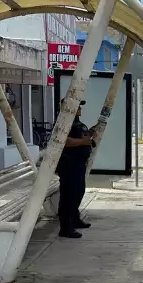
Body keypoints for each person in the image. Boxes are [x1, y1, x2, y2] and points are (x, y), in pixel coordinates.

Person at [56, 98, 94, 239]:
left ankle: (75, 219)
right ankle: (65, 227)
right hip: (68, 164)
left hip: (79, 163)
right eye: (78, 106)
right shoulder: (64, 122)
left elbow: (82, 138)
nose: (80, 109)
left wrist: (89, 137)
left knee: (78, 192)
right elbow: (64, 141)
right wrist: (82, 141)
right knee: (68, 195)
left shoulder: (77, 123)